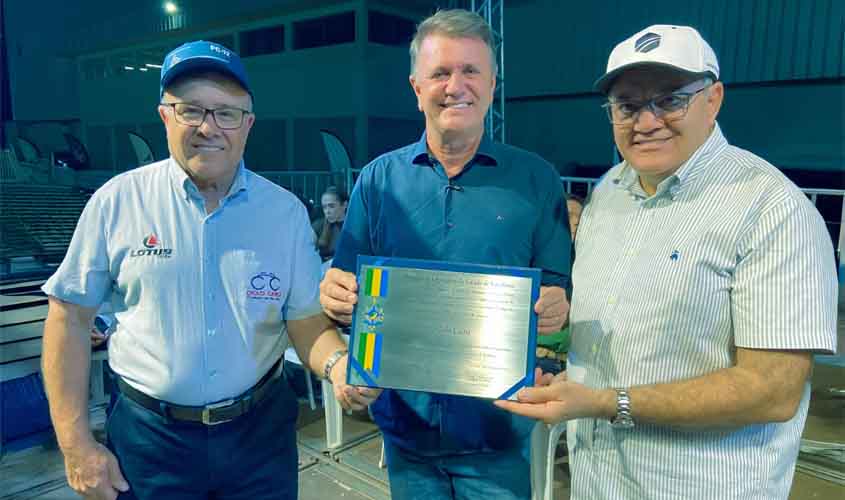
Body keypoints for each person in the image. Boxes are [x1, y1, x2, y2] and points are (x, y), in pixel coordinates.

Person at [495, 25, 838, 500]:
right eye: (628, 106)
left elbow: (773, 389)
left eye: (671, 99)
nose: (647, 121)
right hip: (597, 482)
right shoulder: (610, 191)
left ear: (713, 99)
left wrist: (602, 402)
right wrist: (570, 379)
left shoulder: (770, 209)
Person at [40, 40, 378, 500]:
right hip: (150, 442)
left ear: (247, 125)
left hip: (260, 439)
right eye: (191, 110)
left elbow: (303, 321)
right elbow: (69, 320)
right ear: (165, 116)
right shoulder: (117, 202)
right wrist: (76, 444)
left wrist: (339, 365)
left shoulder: (283, 212)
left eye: (226, 113)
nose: (208, 127)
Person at [319, 9, 571, 500]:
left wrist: (560, 305)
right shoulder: (377, 180)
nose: (456, 85)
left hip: (498, 431)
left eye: (471, 71)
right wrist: (334, 293)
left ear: (492, 85)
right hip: (406, 431)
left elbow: (561, 286)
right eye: (440, 73)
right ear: (417, 88)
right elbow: (345, 282)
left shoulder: (536, 180)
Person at [535, 193, 585, 375]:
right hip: (535, 358)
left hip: (571, 364)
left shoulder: (590, 267)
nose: (575, 222)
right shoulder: (532, 258)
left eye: (580, 217)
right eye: (568, 215)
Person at [312, 185, 349, 261]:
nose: (327, 211)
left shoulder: (354, 226)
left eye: (331, 206)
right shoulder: (318, 226)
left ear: (344, 205)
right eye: (324, 207)